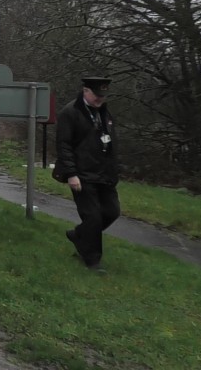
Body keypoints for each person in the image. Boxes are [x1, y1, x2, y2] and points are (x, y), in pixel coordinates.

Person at [54, 74, 120, 273]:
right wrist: (71, 174)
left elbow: (110, 144)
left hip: (104, 175)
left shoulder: (105, 113)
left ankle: (79, 235)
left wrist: (114, 170)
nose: (100, 99)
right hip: (82, 175)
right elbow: (64, 145)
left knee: (112, 212)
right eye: (97, 95)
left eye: (103, 96)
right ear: (85, 91)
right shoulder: (70, 113)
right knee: (93, 217)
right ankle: (92, 260)